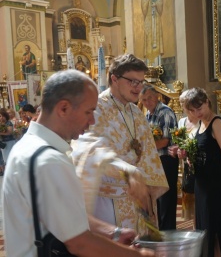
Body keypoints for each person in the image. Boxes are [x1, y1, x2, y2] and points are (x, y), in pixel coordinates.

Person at [2, 69, 155, 257]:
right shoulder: (50, 161)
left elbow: (61, 215)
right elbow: (79, 243)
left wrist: (113, 232)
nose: (91, 121)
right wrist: (140, 256)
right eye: (88, 112)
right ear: (63, 108)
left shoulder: (26, 146)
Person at [71, 54, 168, 237]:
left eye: (141, 82)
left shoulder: (136, 112)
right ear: (114, 78)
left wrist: (148, 193)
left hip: (137, 202)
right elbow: (89, 152)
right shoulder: (96, 108)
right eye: (132, 81)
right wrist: (127, 172)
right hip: (107, 202)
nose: (138, 88)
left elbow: (148, 154)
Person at [181, 87, 221, 257]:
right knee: (205, 226)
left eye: (199, 108)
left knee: (214, 226)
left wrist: (210, 164)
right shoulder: (201, 123)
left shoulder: (216, 122)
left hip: (215, 184)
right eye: (191, 110)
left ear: (207, 102)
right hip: (203, 184)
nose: (196, 113)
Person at [140, 84, 179, 230]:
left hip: (166, 160)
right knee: (158, 200)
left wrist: (144, 147)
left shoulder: (165, 112)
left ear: (157, 96)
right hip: (154, 161)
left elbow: (165, 141)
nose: (147, 102)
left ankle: (168, 232)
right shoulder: (148, 115)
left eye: (149, 98)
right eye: (144, 100)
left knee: (167, 199)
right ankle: (160, 230)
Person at [168, 90, 200, 221]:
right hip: (187, 168)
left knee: (201, 206)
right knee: (189, 204)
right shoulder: (181, 122)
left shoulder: (202, 121)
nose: (185, 107)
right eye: (183, 104)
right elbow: (180, 143)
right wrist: (177, 149)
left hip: (200, 167)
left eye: (187, 104)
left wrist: (189, 150)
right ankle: (194, 232)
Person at [141, 0, 164, 66]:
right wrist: (148, 1)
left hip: (156, 17)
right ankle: (149, 65)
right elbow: (143, 4)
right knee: (148, 40)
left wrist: (156, 4)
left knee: (156, 39)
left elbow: (160, 0)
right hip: (148, 18)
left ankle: (158, 64)